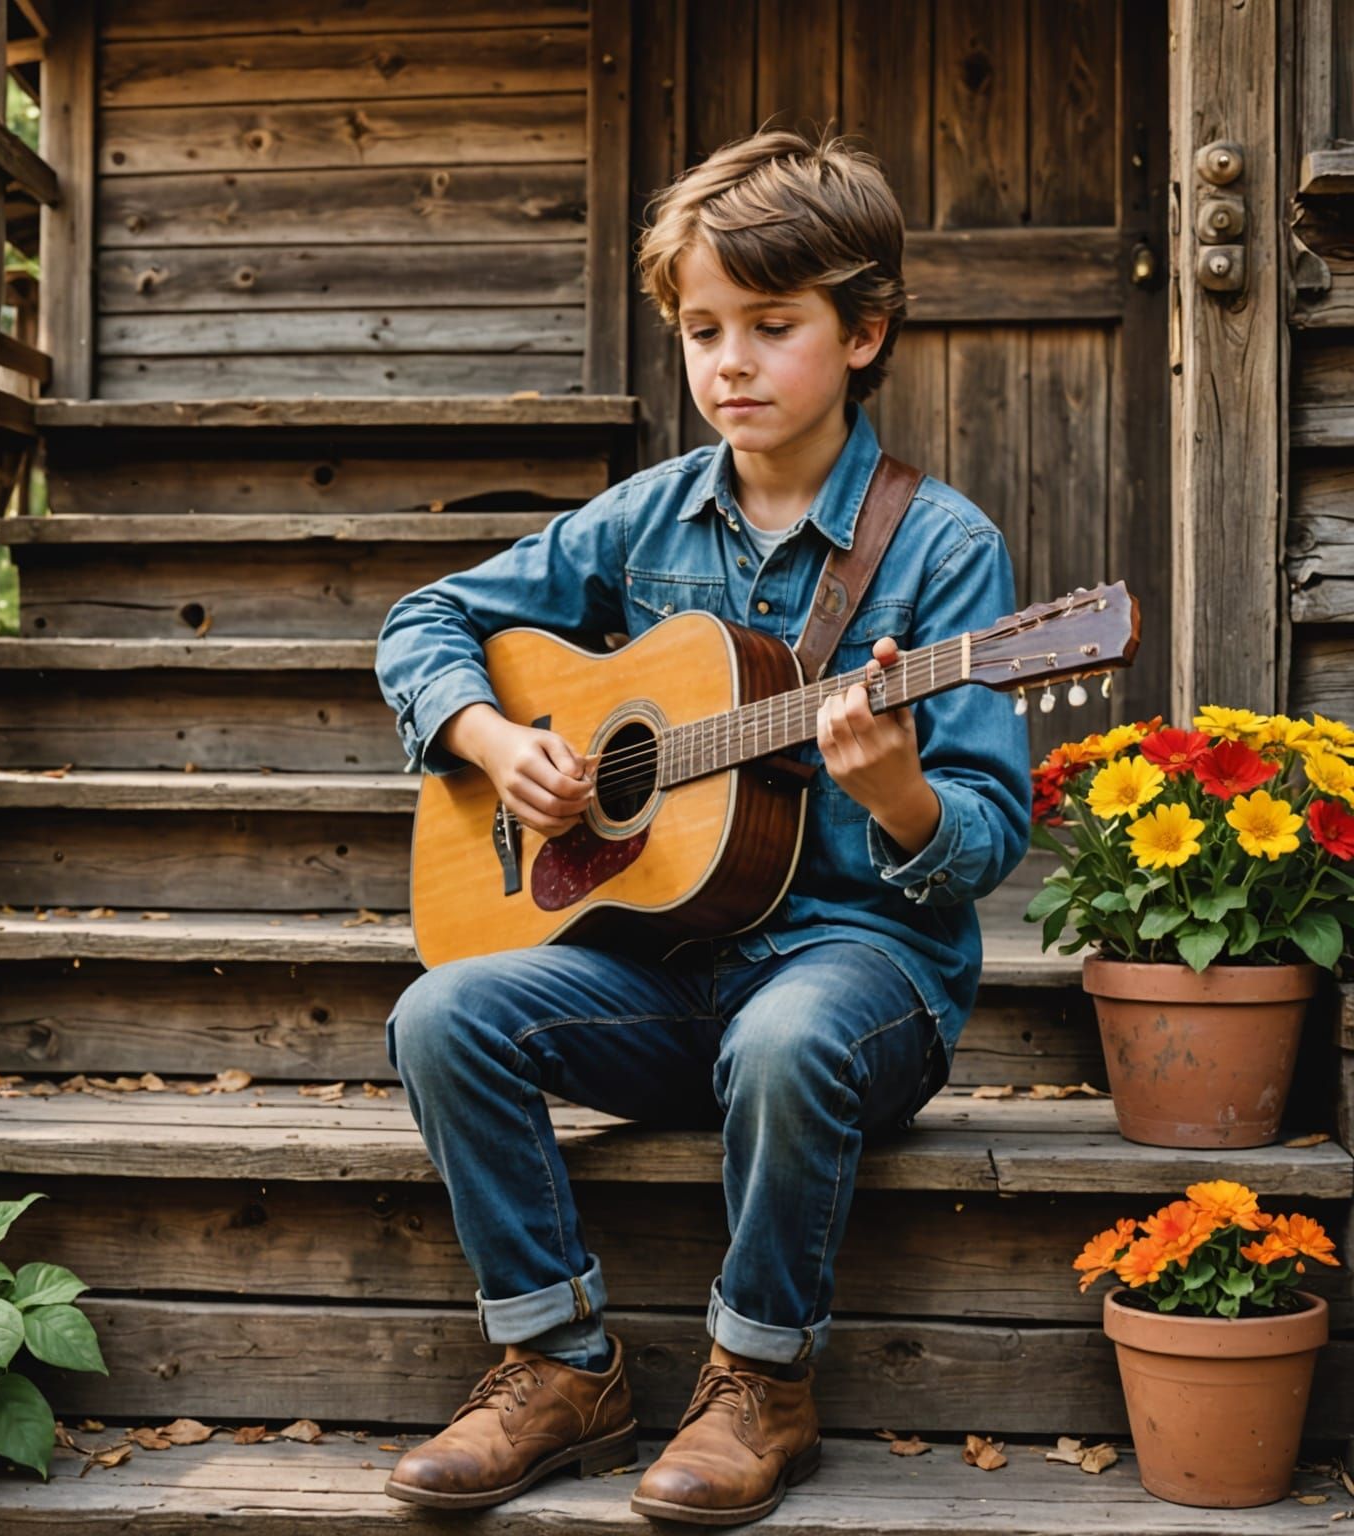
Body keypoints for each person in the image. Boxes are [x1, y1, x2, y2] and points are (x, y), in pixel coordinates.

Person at [373, 122, 1031, 1526]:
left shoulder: (945, 549)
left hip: (867, 982)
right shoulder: (645, 518)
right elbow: (427, 619)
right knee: (446, 1012)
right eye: (703, 329)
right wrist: (498, 739)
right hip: (670, 974)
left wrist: (894, 791)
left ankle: (758, 1380)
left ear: (863, 333)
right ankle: (559, 1369)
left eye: (771, 326)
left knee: (787, 1033)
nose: (729, 362)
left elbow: (982, 835)